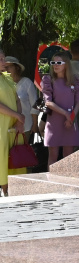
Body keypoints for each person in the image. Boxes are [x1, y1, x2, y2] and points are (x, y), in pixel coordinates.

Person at [0, 48, 27, 195]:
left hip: (13, 124)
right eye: (1, 59)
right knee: (2, 155)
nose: (4, 62)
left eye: (4, 59)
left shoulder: (7, 77)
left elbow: (17, 98)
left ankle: (15, 188)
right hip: (1, 125)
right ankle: (4, 188)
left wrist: (20, 119)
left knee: (14, 154)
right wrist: (17, 116)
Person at [4, 57, 38, 140]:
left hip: (25, 126)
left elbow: (35, 105)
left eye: (9, 66)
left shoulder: (26, 82)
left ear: (17, 68)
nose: (6, 69)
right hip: (6, 126)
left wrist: (35, 124)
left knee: (22, 152)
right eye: (4, 67)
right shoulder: (3, 84)